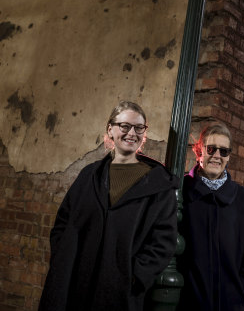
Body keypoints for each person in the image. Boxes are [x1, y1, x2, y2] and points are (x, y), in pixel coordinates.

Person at [39, 100, 179, 311]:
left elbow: (163, 242)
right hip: (75, 285)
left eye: (139, 128)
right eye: (125, 126)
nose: (132, 133)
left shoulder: (158, 184)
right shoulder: (89, 175)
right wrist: (63, 259)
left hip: (119, 292)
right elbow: (63, 222)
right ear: (110, 129)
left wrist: (134, 277)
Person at [177, 122, 244, 311]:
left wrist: (241, 291)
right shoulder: (181, 191)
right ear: (199, 151)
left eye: (224, 151)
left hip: (234, 306)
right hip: (189, 305)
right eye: (211, 149)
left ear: (228, 157)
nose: (217, 156)